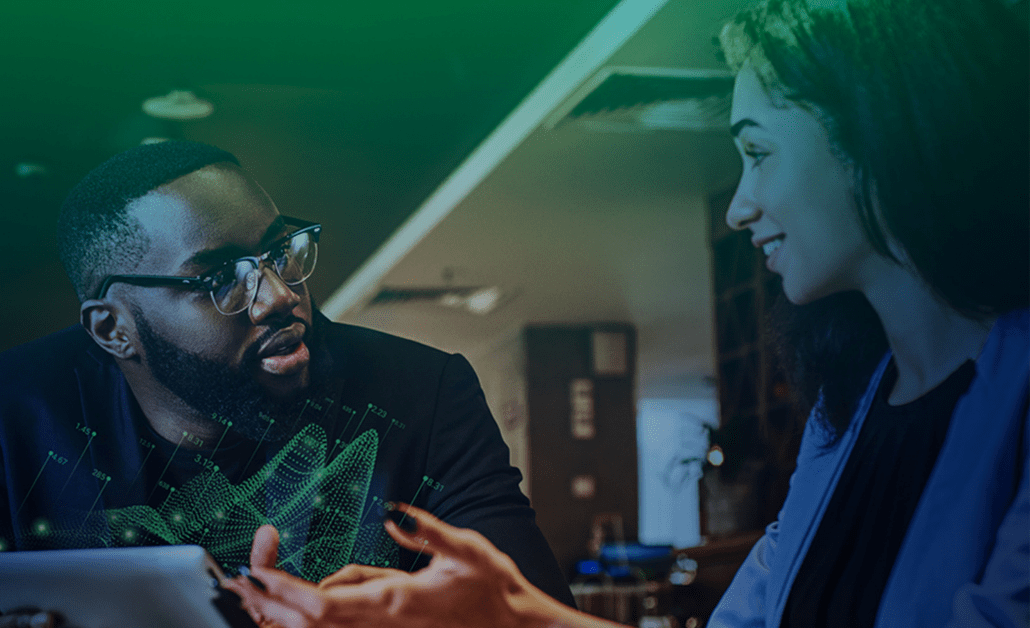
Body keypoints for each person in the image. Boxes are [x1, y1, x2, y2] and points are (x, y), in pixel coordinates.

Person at [226, 0, 1030, 626]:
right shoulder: (846, 412)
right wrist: (509, 618)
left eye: (758, 153)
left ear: (881, 130)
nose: (740, 208)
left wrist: (517, 621)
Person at [0, 140, 572, 628]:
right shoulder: (15, 406)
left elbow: (536, 611)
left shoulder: (422, 392)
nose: (277, 296)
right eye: (217, 277)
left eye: (277, 252)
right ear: (114, 329)